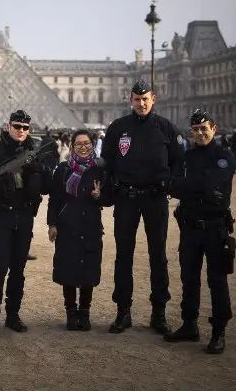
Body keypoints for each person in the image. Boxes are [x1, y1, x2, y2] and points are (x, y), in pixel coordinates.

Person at [100, 79, 184, 334]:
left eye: (145, 99)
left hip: (155, 198)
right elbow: (106, 163)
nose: (141, 103)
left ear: (153, 99)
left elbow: (179, 163)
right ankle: (123, 311)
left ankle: (159, 312)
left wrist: (169, 186)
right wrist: (110, 191)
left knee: (158, 255)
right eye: (137, 99)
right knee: (123, 255)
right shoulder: (117, 128)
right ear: (131, 100)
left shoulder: (167, 128)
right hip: (126, 197)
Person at [0, 110, 49, 340]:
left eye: (25, 127)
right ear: (8, 126)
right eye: (17, 126)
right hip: (2, 216)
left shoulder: (34, 152)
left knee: (18, 271)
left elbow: (47, 186)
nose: (21, 130)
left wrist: (38, 171)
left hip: (24, 216)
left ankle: (13, 315)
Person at [163, 109, 236, 354]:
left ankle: (218, 331)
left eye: (204, 128)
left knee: (217, 281)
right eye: (195, 129)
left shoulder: (224, 156)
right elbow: (172, 186)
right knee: (189, 278)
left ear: (214, 129)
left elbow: (205, 183)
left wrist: (189, 187)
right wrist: (200, 190)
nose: (200, 133)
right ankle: (189, 324)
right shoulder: (187, 157)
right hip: (190, 227)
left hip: (216, 228)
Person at [46, 129, 111, 331]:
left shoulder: (100, 169)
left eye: (87, 143)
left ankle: (84, 312)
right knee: (68, 269)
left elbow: (109, 198)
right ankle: (71, 312)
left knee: (88, 269)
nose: (83, 147)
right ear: (72, 146)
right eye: (79, 144)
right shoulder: (63, 169)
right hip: (68, 226)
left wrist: (99, 196)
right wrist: (52, 224)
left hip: (91, 226)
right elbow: (54, 199)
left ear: (92, 144)